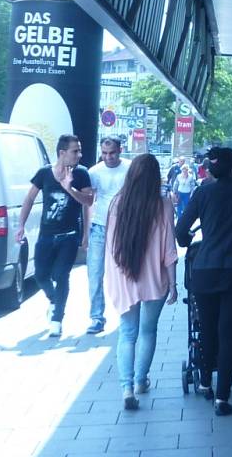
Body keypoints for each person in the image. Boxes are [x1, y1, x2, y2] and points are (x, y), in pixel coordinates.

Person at [175, 147, 232, 416]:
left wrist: (189, 241)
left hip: (205, 271)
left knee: (207, 330)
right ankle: (222, 398)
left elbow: (180, 230)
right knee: (230, 334)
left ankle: (205, 382)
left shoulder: (202, 193)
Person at [104, 154, 178, 410]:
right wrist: (174, 283)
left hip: (124, 277)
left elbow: (110, 247)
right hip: (154, 278)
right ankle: (140, 381)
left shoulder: (117, 204)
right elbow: (170, 248)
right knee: (148, 331)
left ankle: (126, 388)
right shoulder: (164, 204)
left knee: (127, 333)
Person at [15, 134, 93, 337]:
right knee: (40, 274)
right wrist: (21, 225)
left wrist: (70, 188)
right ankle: (53, 300)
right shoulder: (44, 174)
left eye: (80, 150)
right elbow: (29, 199)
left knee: (61, 275)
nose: (79, 154)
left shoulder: (81, 173)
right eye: (75, 151)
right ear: (62, 153)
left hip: (69, 235)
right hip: (46, 235)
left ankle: (57, 319)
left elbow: (89, 201)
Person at [85, 136, 130, 334]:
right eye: (104, 153)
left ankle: (127, 314)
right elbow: (89, 201)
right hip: (99, 226)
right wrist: (86, 231)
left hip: (123, 227)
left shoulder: (130, 168)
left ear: (120, 150)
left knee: (126, 272)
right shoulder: (94, 172)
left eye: (112, 153)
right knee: (94, 273)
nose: (108, 157)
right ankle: (96, 317)